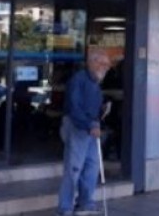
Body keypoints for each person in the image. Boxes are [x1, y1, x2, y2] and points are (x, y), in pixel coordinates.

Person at [57, 50, 111, 216]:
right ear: (92, 63)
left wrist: (102, 110)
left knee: (91, 167)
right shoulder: (78, 80)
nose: (106, 67)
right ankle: (65, 208)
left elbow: (92, 107)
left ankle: (85, 203)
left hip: (91, 127)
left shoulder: (96, 83)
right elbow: (74, 107)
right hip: (77, 127)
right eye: (102, 63)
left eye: (107, 65)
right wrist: (89, 124)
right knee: (74, 168)